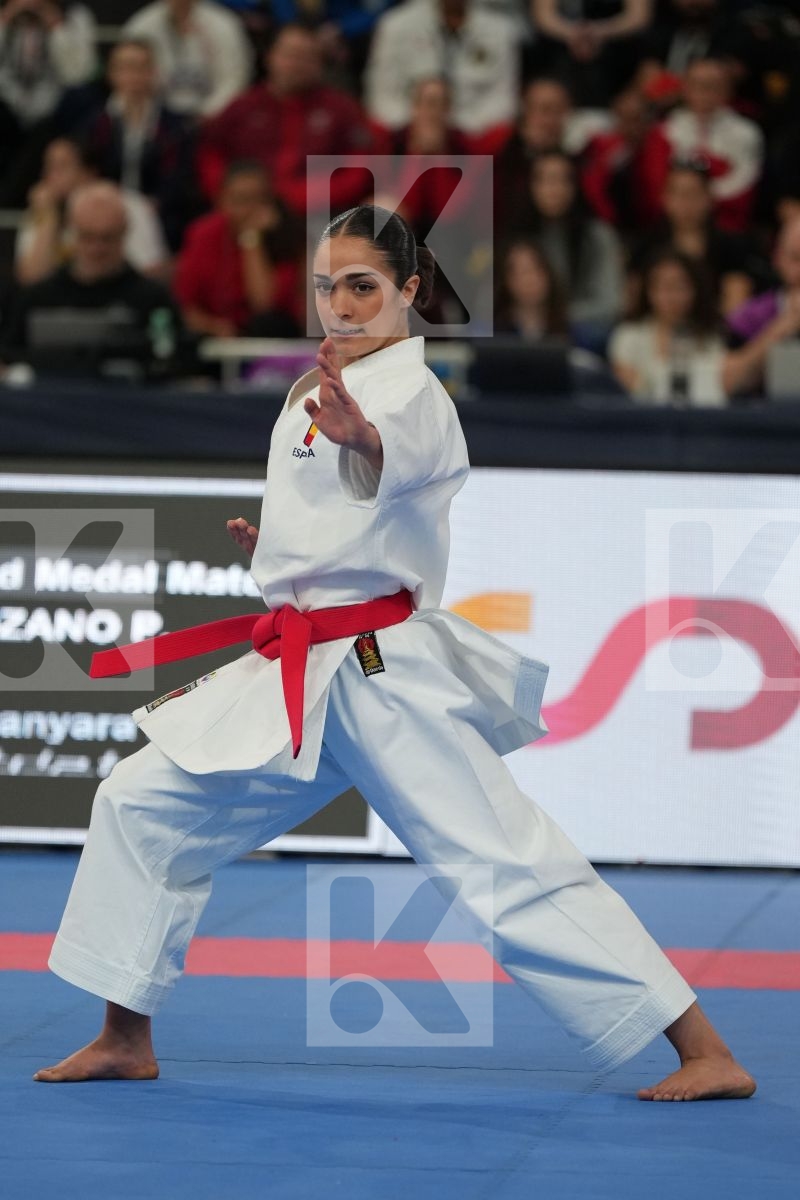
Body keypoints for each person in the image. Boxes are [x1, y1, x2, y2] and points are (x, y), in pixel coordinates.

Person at [33, 203, 755, 1103]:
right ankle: (123, 1035)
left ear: (411, 290)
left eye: (364, 287)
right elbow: (344, 518)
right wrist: (278, 551)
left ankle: (705, 1048)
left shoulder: (414, 397)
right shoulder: (309, 391)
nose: (340, 305)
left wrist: (363, 441)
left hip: (381, 672)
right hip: (299, 666)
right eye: (328, 286)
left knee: (502, 860)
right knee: (138, 804)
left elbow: (398, 462)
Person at [1, 180, 182, 373]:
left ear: (124, 232)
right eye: (87, 237)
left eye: (107, 238)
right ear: (72, 232)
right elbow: (7, 355)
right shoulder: (36, 299)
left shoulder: (153, 300)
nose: (97, 249)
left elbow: (174, 359)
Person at [200, 22, 373, 216]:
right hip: (244, 211)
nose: (297, 64)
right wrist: (234, 195)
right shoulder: (242, 107)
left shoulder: (341, 109)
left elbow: (359, 169)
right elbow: (211, 155)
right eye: (290, 55)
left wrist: (304, 197)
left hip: (320, 214)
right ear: (270, 57)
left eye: (308, 57)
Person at [78, 37, 201, 252]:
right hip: (104, 210)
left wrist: (155, 204)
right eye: (125, 67)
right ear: (111, 74)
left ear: (153, 72)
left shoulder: (174, 126)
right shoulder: (95, 124)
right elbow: (87, 171)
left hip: (157, 216)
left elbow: (178, 177)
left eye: (140, 67)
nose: (133, 75)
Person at [15, 136, 170, 285]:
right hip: (58, 308)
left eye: (61, 166)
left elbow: (150, 271)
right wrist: (49, 218)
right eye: (48, 167)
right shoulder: (43, 211)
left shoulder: (127, 206)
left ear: (89, 173)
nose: (50, 176)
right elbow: (31, 280)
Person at [174, 159, 302, 337]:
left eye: (259, 199)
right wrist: (212, 327)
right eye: (241, 200)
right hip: (215, 336)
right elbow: (184, 305)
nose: (250, 209)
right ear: (221, 200)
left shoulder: (286, 237)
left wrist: (251, 239)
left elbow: (263, 304)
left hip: (270, 338)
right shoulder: (203, 233)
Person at [509, 148, 624, 346]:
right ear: (531, 186)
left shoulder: (597, 236)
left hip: (581, 332)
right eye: (545, 180)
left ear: (575, 186)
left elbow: (610, 303)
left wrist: (555, 317)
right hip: (524, 329)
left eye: (563, 180)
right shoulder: (516, 238)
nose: (554, 189)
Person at [638, 57, 764, 233]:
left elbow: (743, 188)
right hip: (670, 225)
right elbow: (655, 185)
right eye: (696, 84)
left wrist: (698, 199)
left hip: (726, 227)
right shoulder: (667, 130)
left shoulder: (746, 133)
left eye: (711, 85)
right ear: (684, 88)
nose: (703, 92)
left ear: (727, 90)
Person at [626, 162, 769, 315]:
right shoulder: (647, 246)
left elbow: (736, 306)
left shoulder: (732, 246)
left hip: (713, 330)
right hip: (655, 329)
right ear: (665, 198)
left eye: (694, 193)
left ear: (709, 197)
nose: (686, 203)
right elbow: (634, 303)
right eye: (679, 193)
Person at [364, 0, 522, 136]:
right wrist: (421, 124)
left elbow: (503, 102)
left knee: (503, 135)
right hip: (408, 134)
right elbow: (381, 98)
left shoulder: (500, 32)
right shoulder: (395, 25)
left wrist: (454, 128)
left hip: (471, 137)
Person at [0, 0, 96, 205]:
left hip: (52, 114)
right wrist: (5, 21)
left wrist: (56, 26)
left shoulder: (75, 16)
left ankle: (9, 200)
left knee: (81, 99)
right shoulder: (5, 14)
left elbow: (79, 73)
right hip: (7, 110)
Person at [609, 247, 727, 404]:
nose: (672, 297)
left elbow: (716, 388)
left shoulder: (711, 337)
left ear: (695, 290)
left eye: (680, 287)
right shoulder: (628, 335)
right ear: (649, 291)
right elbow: (629, 388)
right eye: (664, 287)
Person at [123, 0, 253, 118]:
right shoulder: (141, 25)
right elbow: (126, 75)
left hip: (214, 120)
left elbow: (235, 79)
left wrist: (206, 113)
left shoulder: (224, 24)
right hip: (156, 122)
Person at [723, 216, 800, 398]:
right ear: (778, 258)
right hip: (766, 421)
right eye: (796, 258)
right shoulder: (750, 316)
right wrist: (783, 326)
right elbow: (729, 384)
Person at [530, 0, 653, 106]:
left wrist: (599, 33)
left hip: (618, 47)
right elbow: (543, 16)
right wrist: (574, 34)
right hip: (564, 47)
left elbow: (638, 17)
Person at [493, 235, 568, 339]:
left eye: (535, 269)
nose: (529, 279)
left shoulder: (570, 330)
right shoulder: (494, 332)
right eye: (520, 272)